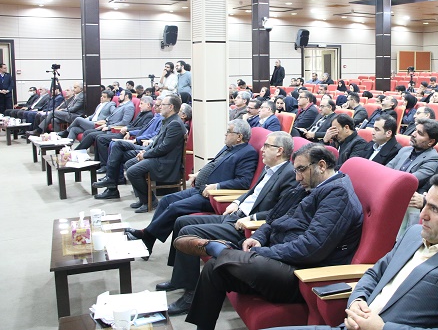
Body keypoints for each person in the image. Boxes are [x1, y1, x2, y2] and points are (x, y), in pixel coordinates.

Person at [267, 171, 438, 330]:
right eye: (425, 204)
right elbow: (375, 273)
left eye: (435, 210)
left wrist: (382, 328)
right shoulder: (414, 233)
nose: (423, 214)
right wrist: (357, 301)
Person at [180, 143, 364, 330]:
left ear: (321, 166)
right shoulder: (310, 186)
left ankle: (223, 250)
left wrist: (262, 252)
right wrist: (259, 237)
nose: (297, 177)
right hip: (283, 257)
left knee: (225, 260)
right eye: (295, 171)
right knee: (213, 268)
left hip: (305, 273)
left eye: (301, 170)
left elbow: (312, 247)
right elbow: (274, 218)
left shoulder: (337, 194)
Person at [158, 131, 299, 315]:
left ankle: (191, 296)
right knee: (181, 221)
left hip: (244, 226)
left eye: (266, 146)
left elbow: (281, 211)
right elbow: (252, 192)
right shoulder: (269, 168)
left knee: (188, 231)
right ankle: (180, 279)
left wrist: (251, 218)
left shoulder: (288, 174)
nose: (262, 150)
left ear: (279, 150)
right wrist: (237, 202)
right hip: (235, 214)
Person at [124, 118, 257, 247]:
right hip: (199, 189)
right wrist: (198, 173)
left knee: (175, 207)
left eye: (228, 132)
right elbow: (214, 164)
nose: (225, 134)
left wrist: (217, 186)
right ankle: (148, 238)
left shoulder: (247, 153)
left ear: (239, 137)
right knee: (165, 200)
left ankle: (147, 235)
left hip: (212, 196)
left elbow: (243, 182)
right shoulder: (228, 147)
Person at [123, 95, 186, 212]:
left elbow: (164, 148)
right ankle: (143, 199)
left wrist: (145, 155)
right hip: (160, 157)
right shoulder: (168, 121)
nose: (160, 107)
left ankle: (151, 202)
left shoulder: (175, 124)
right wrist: (145, 151)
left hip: (166, 162)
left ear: (171, 107)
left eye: (162, 105)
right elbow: (156, 141)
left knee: (132, 171)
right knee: (129, 164)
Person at [387, 118, 438, 233]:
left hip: (404, 202)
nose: (413, 134)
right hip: (388, 191)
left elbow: (409, 181)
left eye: (420, 133)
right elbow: (386, 169)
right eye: (415, 130)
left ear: (430, 142)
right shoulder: (405, 150)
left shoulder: (433, 158)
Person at [93, 96, 157, 170]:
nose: (139, 106)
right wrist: (126, 127)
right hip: (126, 133)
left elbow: (142, 129)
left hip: (132, 136)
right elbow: (132, 124)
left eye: (141, 104)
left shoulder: (149, 115)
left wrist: (129, 130)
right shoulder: (141, 113)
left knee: (101, 139)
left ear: (148, 105)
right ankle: (98, 163)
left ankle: (104, 166)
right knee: (98, 137)